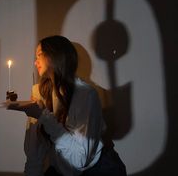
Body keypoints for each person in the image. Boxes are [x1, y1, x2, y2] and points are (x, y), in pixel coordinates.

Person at [7, 35, 127, 176]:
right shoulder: (39, 93)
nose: (35, 62)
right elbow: (34, 154)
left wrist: (43, 116)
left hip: (100, 170)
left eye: (39, 55)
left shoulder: (86, 95)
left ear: (56, 56)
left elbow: (80, 160)